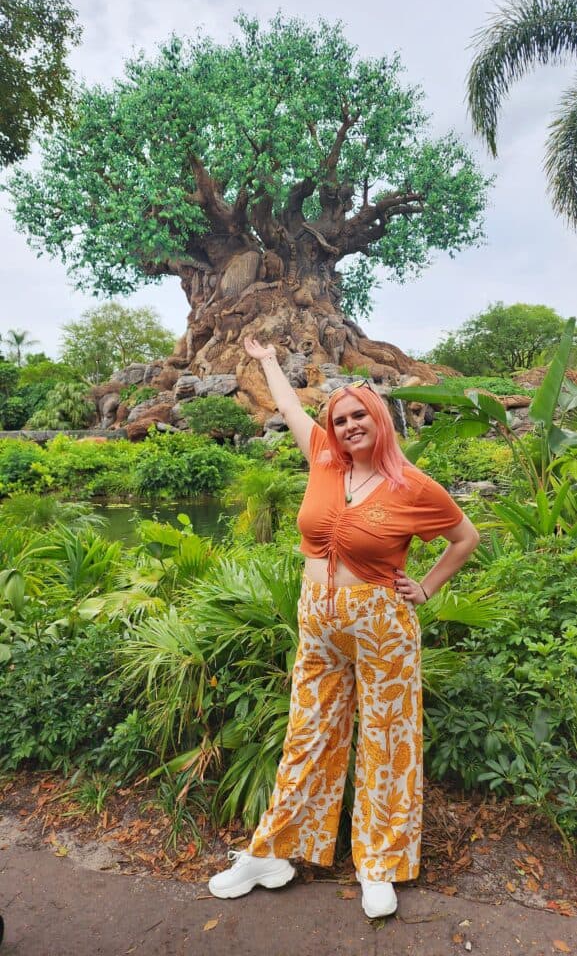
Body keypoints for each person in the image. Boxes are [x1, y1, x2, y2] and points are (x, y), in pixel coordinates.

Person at [209, 338, 479, 918]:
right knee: (307, 735)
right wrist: (267, 361)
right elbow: (287, 407)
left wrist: (427, 587)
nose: (349, 425)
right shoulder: (324, 460)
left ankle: (379, 862)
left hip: (382, 623)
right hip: (319, 622)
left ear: (379, 419)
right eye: (340, 418)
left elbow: (466, 538)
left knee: (387, 739)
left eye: (359, 415)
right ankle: (274, 851)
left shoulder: (414, 485)